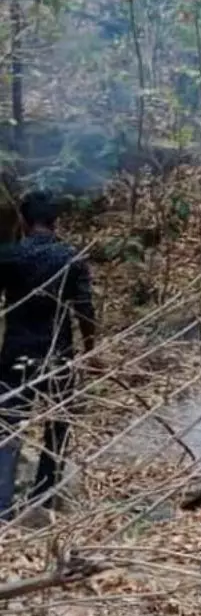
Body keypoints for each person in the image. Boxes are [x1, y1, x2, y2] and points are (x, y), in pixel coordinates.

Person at [0, 190, 97, 519]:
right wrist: (92, 351)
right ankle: (43, 497)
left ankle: (2, 506)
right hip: (59, 354)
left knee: (9, 427)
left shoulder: (9, 257)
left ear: (25, 223)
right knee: (58, 425)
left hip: (15, 353)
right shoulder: (71, 258)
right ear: (56, 222)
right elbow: (84, 310)